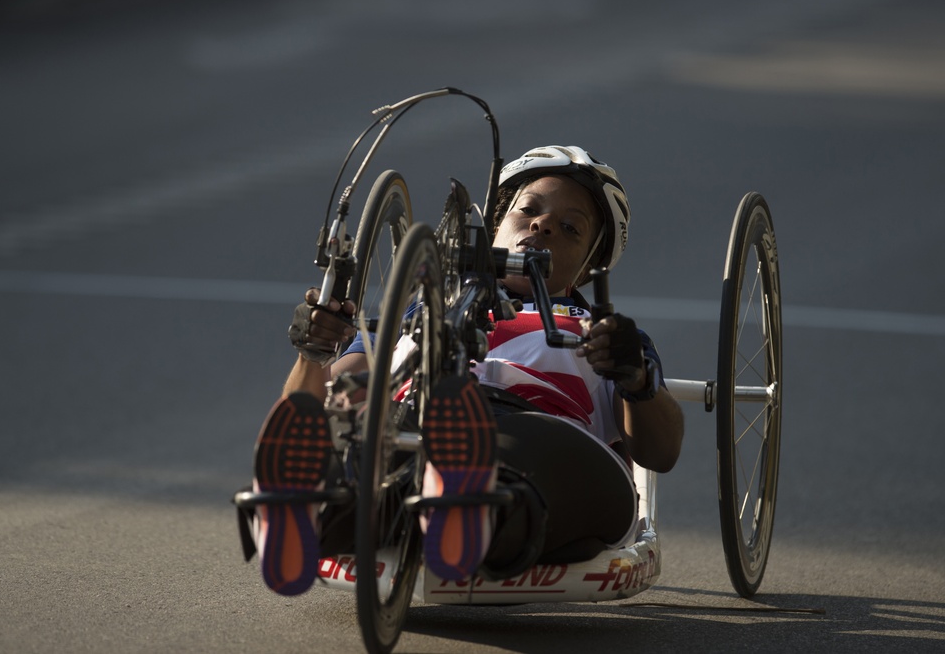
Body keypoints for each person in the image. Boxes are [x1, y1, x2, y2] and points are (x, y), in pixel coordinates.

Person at [241, 145, 684, 596]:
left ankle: (465, 499)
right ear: (494, 228)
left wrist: (636, 377)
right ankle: (317, 505)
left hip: (545, 438)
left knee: (509, 460)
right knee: (372, 446)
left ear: (587, 266)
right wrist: (312, 351)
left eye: (569, 228)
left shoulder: (604, 334)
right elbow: (333, 396)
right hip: (417, 426)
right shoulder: (413, 314)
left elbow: (660, 453)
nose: (543, 224)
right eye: (528, 210)